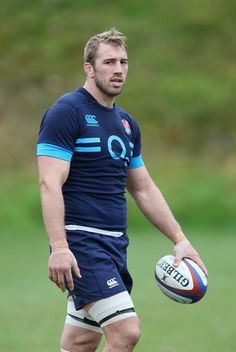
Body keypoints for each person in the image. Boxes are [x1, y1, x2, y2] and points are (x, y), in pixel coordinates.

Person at [37, 28, 208, 352]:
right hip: (81, 243)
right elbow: (49, 182)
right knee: (126, 331)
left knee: (81, 342)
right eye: (109, 62)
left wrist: (180, 240)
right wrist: (59, 246)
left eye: (123, 62)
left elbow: (143, 188)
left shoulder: (126, 124)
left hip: (114, 244)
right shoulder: (67, 111)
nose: (118, 69)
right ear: (89, 68)